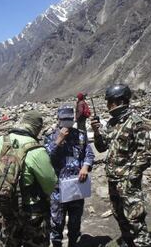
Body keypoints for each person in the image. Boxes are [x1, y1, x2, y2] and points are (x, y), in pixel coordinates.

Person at [91, 84, 151, 247]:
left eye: (110, 101)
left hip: (127, 181)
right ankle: (128, 241)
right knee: (119, 214)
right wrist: (97, 132)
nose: (108, 105)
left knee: (135, 218)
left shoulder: (136, 122)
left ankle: (141, 243)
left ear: (119, 101)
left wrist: (132, 176)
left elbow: (145, 154)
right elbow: (102, 147)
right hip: (113, 179)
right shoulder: (111, 123)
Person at [0, 111, 57, 247]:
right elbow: (50, 183)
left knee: (10, 239)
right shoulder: (36, 150)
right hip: (32, 209)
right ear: (37, 128)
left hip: (7, 203)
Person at [44, 105, 95, 247]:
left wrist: (85, 166)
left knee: (75, 220)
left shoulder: (80, 135)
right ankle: (57, 243)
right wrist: (58, 141)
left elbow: (89, 154)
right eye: (64, 119)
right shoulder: (50, 136)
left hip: (77, 185)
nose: (67, 122)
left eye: (69, 119)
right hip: (58, 188)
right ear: (58, 120)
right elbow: (45, 158)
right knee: (57, 221)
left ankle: (73, 242)